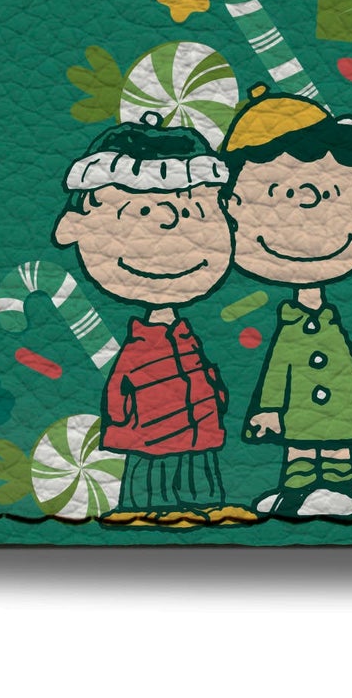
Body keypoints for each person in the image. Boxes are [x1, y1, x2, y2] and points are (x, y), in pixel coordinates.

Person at [53, 113, 253, 526]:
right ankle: (143, 507)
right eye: (140, 210)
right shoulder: (142, 343)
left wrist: (214, 396)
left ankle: (203, 505)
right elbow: (121, 384)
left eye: (194, 210)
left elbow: (199, 371)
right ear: (74, 227)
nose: (167, 224)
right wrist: (120, 424)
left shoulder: (185, 335)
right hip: (149, 429)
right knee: (150, 468)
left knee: (197, 464)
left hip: (198, 425)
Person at [220, 84, 352, 518]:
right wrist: (268, 409)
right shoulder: (291, 324)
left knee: (337, 443)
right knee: (299, 444)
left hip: (340, 405)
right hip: (299, 409)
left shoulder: (330, 321)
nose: (306, 207)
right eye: (279, 195)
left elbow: (345, 370)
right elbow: (279, 367)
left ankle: (342, 485)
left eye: (331, 194)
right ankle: (296, 488)